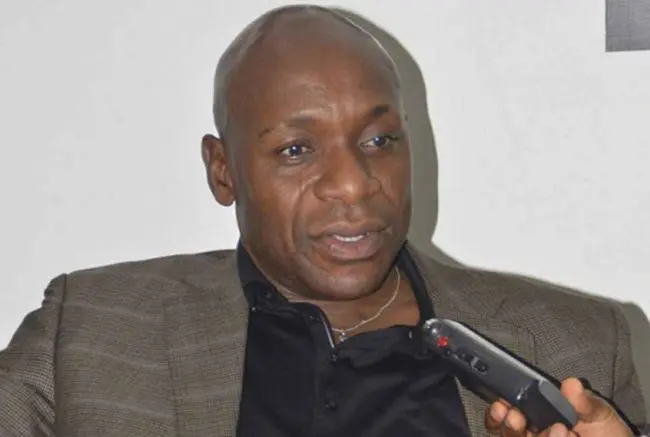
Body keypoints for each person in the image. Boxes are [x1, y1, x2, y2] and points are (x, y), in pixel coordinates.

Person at [0, 5, 647, 437]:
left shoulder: (581, 349)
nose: (353, 183)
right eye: (296, 150)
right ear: (222, 171)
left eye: (379, 141)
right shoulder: (90, 330)